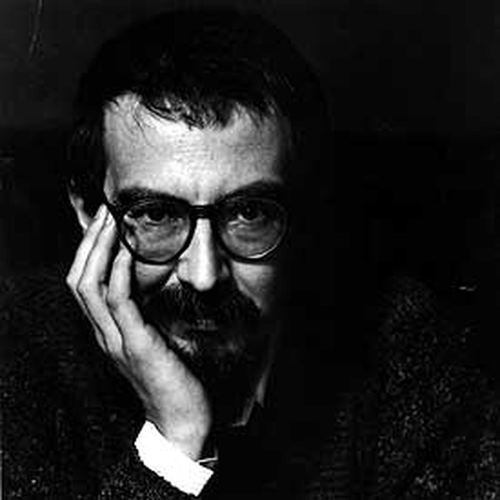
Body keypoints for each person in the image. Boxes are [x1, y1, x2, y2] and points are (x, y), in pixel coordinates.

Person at [2, 7, 500, 499]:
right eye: (156, 215)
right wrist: (174, 447)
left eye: (248, 213)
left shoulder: (402, 344)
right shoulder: (16, 353)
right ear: (88, 212)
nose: (203, 275)